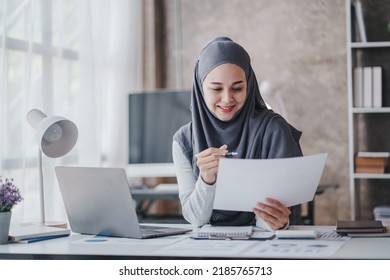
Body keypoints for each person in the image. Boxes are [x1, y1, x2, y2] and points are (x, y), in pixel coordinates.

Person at [172, 36, 303, 231]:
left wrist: (277, 221)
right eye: (216, 88)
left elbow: (278, 214)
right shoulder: (184, 140)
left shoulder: (273, 130)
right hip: (206, 251)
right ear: (200, 88)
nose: (227, 99)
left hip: (265, 248)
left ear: (249, 85)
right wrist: (207, 180)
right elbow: (195, 219)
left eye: (237, 88)